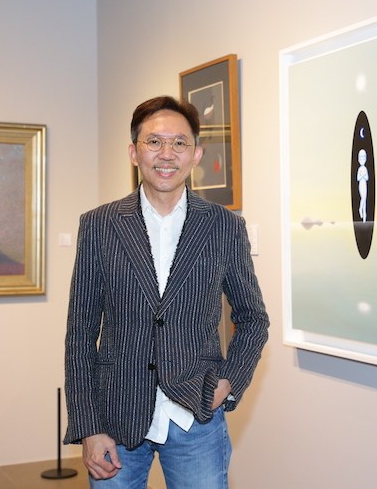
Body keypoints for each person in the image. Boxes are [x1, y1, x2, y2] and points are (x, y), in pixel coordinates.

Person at [63, 95, 270, 489]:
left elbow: (253, 318)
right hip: (114, 417)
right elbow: (80, 333)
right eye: (154, 141)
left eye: (179, 143)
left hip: (197, 416)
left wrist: (228, 383)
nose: (167, 154)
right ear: (133, 152)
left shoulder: (224, 226)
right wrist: (88, 426)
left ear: (196, 155)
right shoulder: (99, 225)